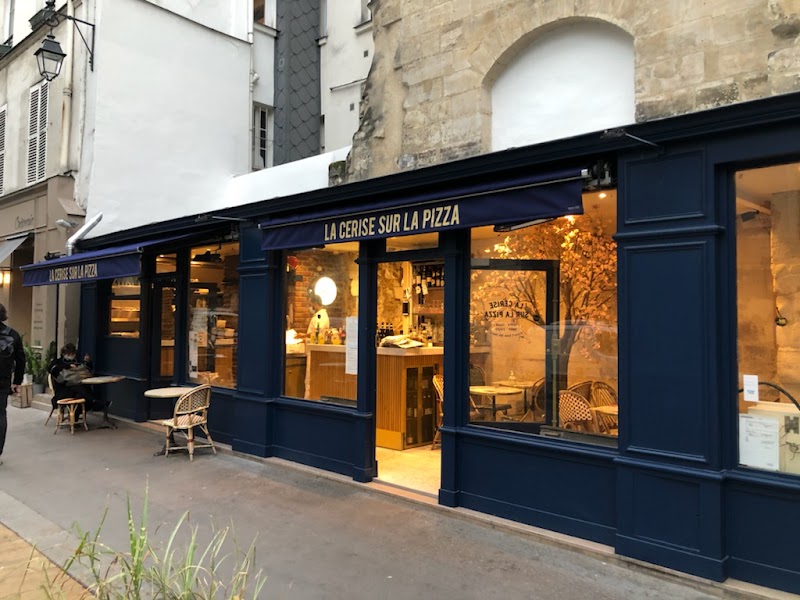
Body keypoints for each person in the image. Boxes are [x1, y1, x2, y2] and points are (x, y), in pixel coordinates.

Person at [49, 343, 105, 416]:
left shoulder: (76, 361)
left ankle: (75, 417)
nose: (70, 355)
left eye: (72, 354)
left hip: (76, 388)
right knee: (79, 391)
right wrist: (68, 366)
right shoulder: (58, 362)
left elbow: (87, 370)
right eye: (68, 354)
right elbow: (51, 369)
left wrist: (87, 362)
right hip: (63, 390)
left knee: (81, 392)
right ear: (63, 353)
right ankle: (94, 402)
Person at [0, 303, 25, 465]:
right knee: (1, 415)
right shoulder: (13, 335)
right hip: (3, 381)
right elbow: (21, 360)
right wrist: (17, 382)